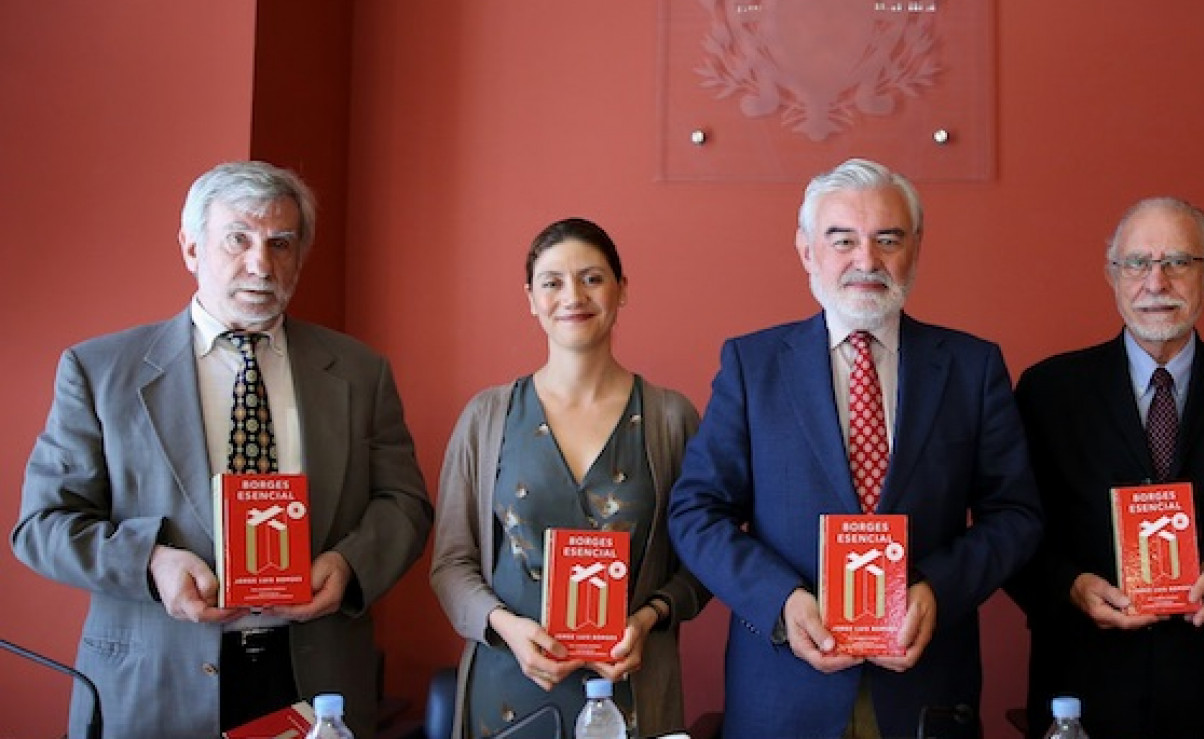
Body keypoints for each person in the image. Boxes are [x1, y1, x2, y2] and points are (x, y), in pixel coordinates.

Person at [11, 161, 434, 737]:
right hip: (156, 680)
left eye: (281, 243)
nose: (261, 264)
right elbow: (42, 526)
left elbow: (403, 502)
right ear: (191, 247)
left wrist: (349, 565)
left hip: (313, 676)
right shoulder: (99, 370)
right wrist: (152, 562)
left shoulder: (360, 371)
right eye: (238, 238)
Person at [666, 158, 1042, 738]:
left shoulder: (972, 367)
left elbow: (1015, 514)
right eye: (843, 240)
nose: (866, 261)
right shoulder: (752, 365)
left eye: (887, 239)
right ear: (807, 251)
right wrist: (781, 600)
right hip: (783, 693)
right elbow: (696, 512)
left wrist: (938, 590)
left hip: (927, 691)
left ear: (915, 247)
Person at [1006, 198, 1204, 738]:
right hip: (1082, 688)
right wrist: (1071, 586)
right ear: (1112, 275)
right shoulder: (1049, 390)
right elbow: (1011, 526)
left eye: (1179, 262)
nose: (1157, 282)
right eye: (1137, 264)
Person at [430, 218, 709, 738]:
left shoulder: (671, 419)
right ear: (530, 299)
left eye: (592, 278)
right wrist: (505, 628)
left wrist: (648, 619)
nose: (573, 296)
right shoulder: (487, 416)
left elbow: (701, 564)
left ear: (622, 290)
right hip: (509, 691)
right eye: (552, 282)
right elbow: (450, 564)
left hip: (634, 693)